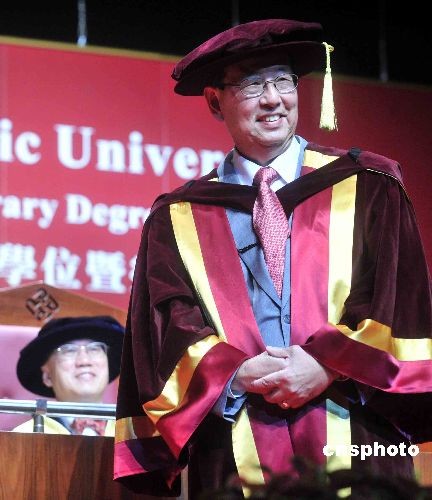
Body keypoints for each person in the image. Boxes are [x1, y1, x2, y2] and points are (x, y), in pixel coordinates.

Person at [113, 18, 432, 499]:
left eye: (283, 81)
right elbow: (167, 325)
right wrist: (233, 373)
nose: (272, 99)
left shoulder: (368, 184)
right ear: (215, 101)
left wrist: (328, 363)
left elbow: (397, 299)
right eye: (251, 84)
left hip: (359, 432)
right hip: (234, 443)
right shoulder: (177, 215)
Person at [14, 315, 124, 436]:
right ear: (47, 376)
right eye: (69, 350)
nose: (84, 361)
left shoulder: (133, 432)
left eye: (95, 349)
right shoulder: (24, 437)